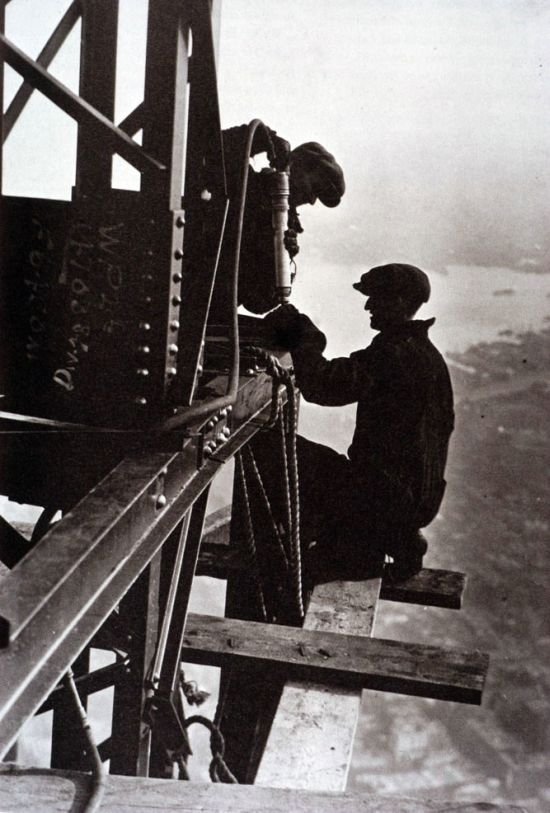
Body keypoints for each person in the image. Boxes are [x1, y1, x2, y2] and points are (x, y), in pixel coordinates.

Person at [259, 262, 455, 584]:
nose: (367, 305)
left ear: (401, 302)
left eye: (376, 297)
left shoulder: (394, 353)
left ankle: (354, 548)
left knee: (273, 447)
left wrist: (306, 337)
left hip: (382, 500)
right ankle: (397, 539)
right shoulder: (427, 355)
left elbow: (323, 386)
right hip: (413, 502)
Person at [209, 125, 345, 320]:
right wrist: (264, 139)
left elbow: (257, 304)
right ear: (296, 165)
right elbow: (209, 149)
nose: (311, 199)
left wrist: (279, 262)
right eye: (314, 187)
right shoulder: (243, 183)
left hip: (213, 311)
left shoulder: (283, 224)